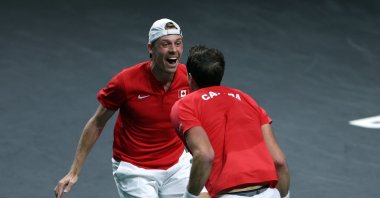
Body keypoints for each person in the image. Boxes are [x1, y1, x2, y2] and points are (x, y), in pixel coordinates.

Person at [54, 18, 208, 198]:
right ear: (151, 48)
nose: (173, 49)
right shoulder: (126, 82)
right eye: (165, 44)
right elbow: (97, 123)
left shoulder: (188, 78)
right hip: (135, 170)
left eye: (178, 43)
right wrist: (74, 171)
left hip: (176, 165)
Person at [170, 45, 290, 198]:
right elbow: (279, 161)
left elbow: (205, 155)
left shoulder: (185, 105)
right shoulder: (246, 99)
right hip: (269, 193)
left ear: (189, 77)